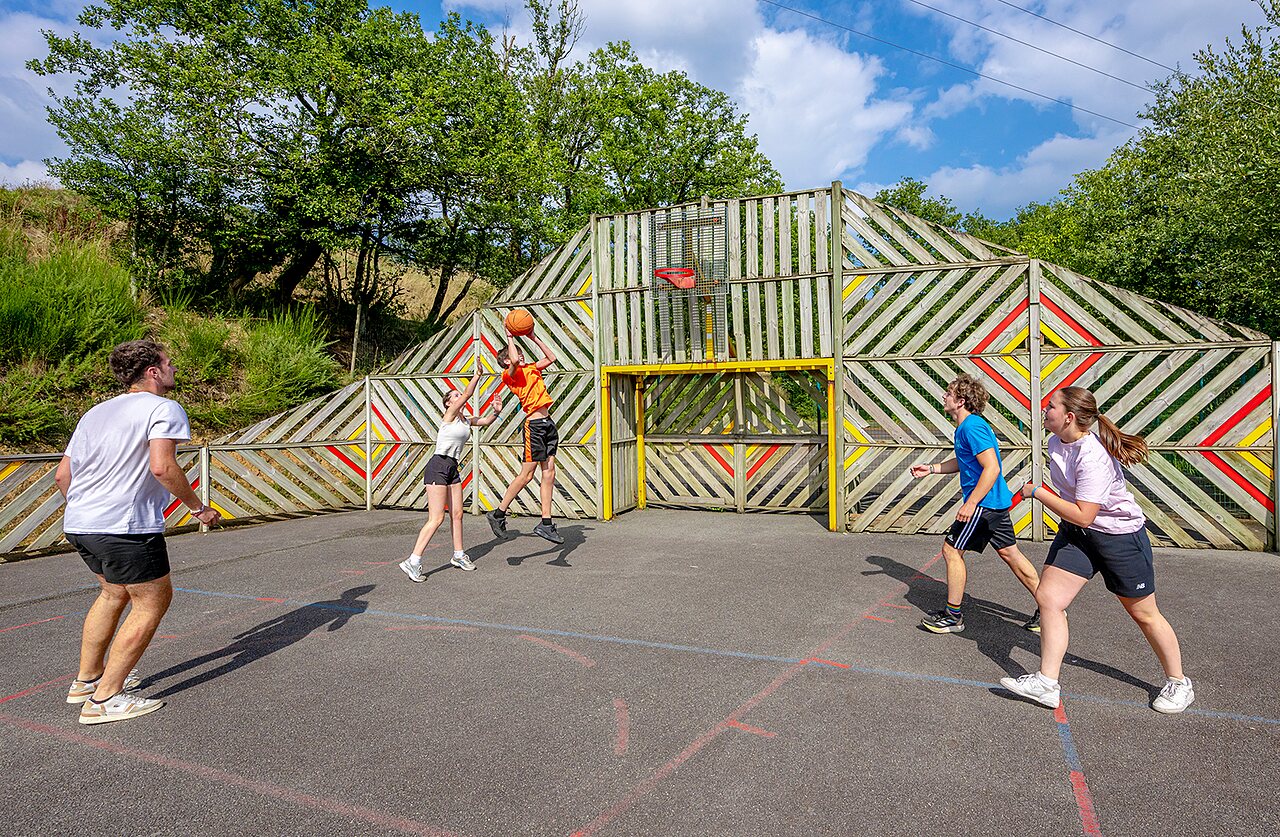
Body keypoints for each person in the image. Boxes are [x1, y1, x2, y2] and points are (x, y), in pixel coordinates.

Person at [55, 340, 221, 725]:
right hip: (124, 527)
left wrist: (88, 510)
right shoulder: (164, 408)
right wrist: (198, 508)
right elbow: (162, 467)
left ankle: (86, 680)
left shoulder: (94, 413)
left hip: (80, 523)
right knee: (152, 602)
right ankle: (104, 699)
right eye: (169, 363)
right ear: (152, 372)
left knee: (113, 594)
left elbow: (64, 475)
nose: (173, 369)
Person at [1001, 386, 1194, 713]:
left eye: (1051, 407)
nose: (1044, 411)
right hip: (1080, 534)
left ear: (1069, 417)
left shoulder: (1093, 456)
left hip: (1119, 538)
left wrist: (1035, 492)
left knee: (1144, 614)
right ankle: (1047, 683)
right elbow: (1080, 518)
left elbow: (1084, 512)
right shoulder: (1055, 442)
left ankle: (1179, 682)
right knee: (1048, 598)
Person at [909, 374, 1041, 634]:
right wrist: (932, 468)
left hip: (984, 505)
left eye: (948, 392)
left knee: (951, 551)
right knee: (1010, 554)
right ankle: (1049, 607)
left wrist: (971, 503)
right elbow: (965, 461)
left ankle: (953, 616)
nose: (944, 396)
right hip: (993, 503)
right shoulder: (966, 427)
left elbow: (990, 468)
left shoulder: (972, 427)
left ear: (960, 400)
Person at [399, 370, 502, 582]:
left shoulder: (465, 421)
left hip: (452, 467)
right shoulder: (450, 416)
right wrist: (477, 376)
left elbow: (485, 422)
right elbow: (466, 395)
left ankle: (458, 555)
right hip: (438, 465)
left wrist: (496, 412)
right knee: (436, 518)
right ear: (448, 403)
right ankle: (413, 561)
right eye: (453, 396)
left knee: (457, 514)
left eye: (457, 395)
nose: (458, 397)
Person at [485, 322, 565, 544]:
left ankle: (546, 523)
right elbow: (511, 360)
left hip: (548, 423)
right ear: (506, 361)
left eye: (521, 354)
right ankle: (498, 513)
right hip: (534, 427)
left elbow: (552, 358)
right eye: (515, 354)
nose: (520, 355)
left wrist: (532, 336)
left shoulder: (531, 368)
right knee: (527, 475)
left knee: (549, 474)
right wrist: (509, 337)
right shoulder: (509, 375)